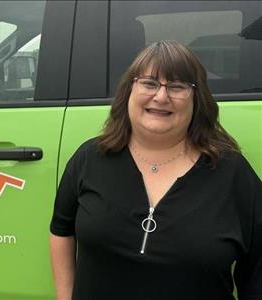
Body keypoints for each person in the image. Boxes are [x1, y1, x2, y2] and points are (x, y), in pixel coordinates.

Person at [49, 40, 262, 300]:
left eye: (177, 86)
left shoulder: (231, 172)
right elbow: (61, 229)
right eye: (149, 83)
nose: (161, 96)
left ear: (197, 99)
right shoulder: (90, 158)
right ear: (129, 90)